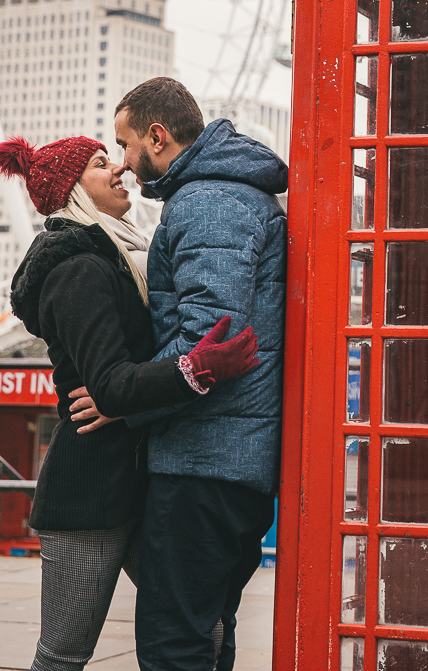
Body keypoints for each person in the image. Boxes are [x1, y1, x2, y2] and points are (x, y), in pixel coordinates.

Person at [0, 133, 258, 671]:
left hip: (138, 480)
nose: (118, 169)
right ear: (72, 189)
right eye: (98, 162)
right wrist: (195, 369)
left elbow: (115, 387)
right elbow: (108, 386)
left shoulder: (111, 256)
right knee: (64, 655)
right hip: (88, 493)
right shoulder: (76, 270)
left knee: (196, 623)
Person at [112, 77, 287, 671]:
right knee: (207, 633)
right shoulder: (232, 193)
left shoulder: (209, 203)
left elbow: (211, 343)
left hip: (202, 461)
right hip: (231, 461)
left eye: (126, 144)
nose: (124, 163)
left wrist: (124, 400)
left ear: (157, 137)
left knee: (172, 642)